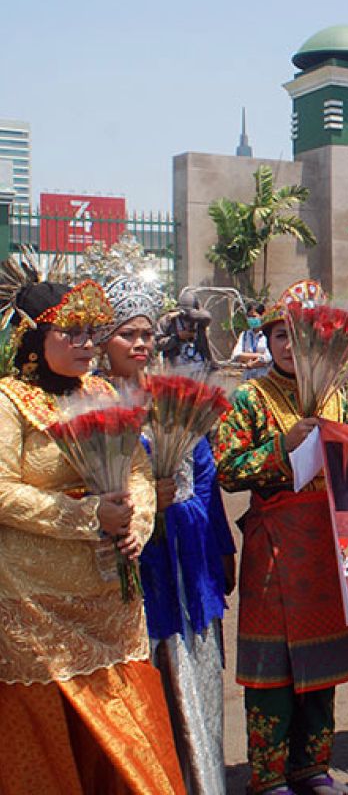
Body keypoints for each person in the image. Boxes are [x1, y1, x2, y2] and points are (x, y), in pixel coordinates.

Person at [0, 277, 186, 794]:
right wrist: (87, 519)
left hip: (110, 599)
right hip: (33, 603)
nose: (87, 344)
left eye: (91, 332)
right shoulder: (9, 402)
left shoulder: (103, 393)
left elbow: (138, 472)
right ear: (36, 337)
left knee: (130, 739)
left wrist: (138, 525)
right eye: (72, 332)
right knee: (49, 742)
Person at [213, 280, 348, 795]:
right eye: (280, 335)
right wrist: (284, 445)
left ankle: (312, 766)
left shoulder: (337, 396)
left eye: (298, 337)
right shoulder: (249, 398)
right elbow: (227, 469)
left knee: (321, 666)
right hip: (275, 549)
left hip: (326, 546)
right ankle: (269, 774)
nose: (287, 346)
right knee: (273, 669)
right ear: (268, 340)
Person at [99, 276, 235, 794]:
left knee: (198, 683)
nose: (138, 344)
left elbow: (206, 478)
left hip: (189, 558)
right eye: (125, 334)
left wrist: (220, 546)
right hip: (133, 569)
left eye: (144, 334)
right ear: (104, 343)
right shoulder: (90, 404)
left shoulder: (174, 399)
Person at [157, 289, 212, 366]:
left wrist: (187, 313)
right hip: (176, 367)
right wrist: (177, 337)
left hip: (199, 366)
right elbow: (158, 344)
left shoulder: (199, 320)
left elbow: (207, 317)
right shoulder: (167, 321)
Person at [234, 300, 271, 379]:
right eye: (249, 317)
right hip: (247, 378)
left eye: (254, 316)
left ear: (262, 316)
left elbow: (268, 358)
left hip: (264, 378)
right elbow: (236, 355)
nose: (251, 319)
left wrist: (251, 364)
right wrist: (259, 355)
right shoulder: (244, 335)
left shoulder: (268, 334)